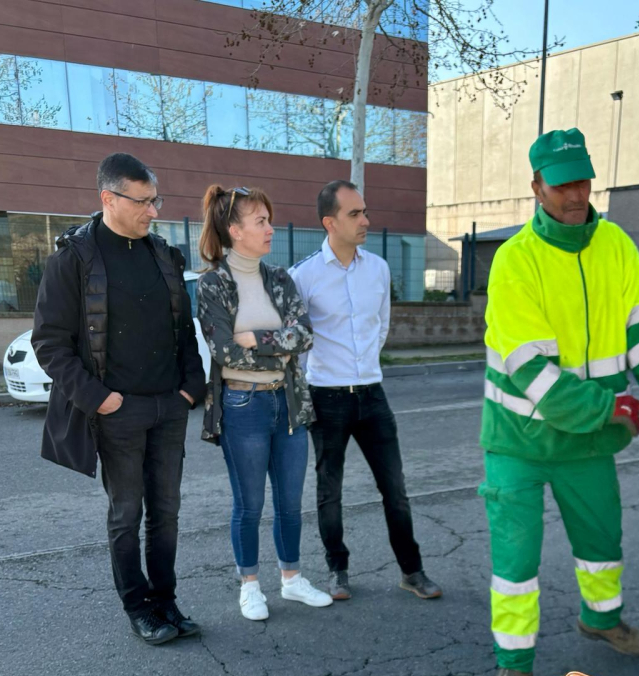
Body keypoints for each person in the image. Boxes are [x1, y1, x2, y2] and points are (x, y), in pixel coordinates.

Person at [479, 128, 639, 676]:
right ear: (536, 187)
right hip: (519, 442)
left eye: (581, 180)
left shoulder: (617, 247)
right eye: (560, 185)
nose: (574, 194)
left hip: (589, 443)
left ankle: (601, 620)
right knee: (515, 562)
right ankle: (515, 664)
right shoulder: (514, 262)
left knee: (602, 542)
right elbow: (533, 375)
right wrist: (611, 406)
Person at [32, 153, 206, 644]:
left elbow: (183, 331)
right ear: (108, 198)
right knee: (127, 514)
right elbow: (49, 343)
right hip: (117, 413)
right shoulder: (75, 259)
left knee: (167, 512)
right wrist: (100, 399)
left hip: (169, 407)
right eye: (144, 201)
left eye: (157, 200)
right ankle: (138, 607)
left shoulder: (164, 256)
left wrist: (191, 389)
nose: (154, 211)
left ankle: (166, 600)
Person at [289, 180, 441, 602]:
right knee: (329, 491)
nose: (365, 221)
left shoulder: (378, 268)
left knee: (395, 488)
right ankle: (338, 572)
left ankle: (412, 571)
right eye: (354, 214)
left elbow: (382, 327)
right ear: (329, 222)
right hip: (327, 397)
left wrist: (365, 368)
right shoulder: (302, 276)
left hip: (373, 395)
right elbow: (297, 345)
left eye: (365, 212)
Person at [197, 185, 331, 620]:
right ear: (234, 230)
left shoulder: (279, 278)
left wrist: (256, 338)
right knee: (249, 504)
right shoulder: (213, 284)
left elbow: (306, 334)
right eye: (261, 221)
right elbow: (225, 353)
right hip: (243, 405)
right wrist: (280, 344)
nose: (270, 228)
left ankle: (291, 579)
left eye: (268, 220)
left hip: (289, 401)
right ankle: (250, 585)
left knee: (291, 502)